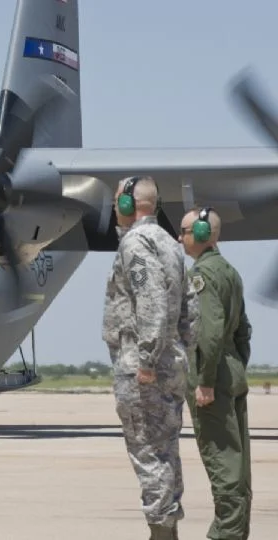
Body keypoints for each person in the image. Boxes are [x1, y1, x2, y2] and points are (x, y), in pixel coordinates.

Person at [102, 175, 198, 540]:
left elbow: (153, 302)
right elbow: (190, 309)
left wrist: (146, 361)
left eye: (116, 201)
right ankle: (166, 529)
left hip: (144, 369)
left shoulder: (135, 243)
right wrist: (180, 353)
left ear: (129, 205)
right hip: (170, 363)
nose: (114, 208)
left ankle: (161, 534)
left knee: (149, 454)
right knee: (166, 452)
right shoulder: (172, 245)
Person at [179, 206, 253, 540]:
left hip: (213, 376)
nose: (180, 237)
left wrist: (206, 381)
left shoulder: (202, 275)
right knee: (238, 465)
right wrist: (235, 367)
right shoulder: (230, 272)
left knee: (222, 463)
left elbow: (208, 333)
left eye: (183, 231)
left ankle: (225, 534)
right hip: (232, 371)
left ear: (201, 235)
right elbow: (243, 331)